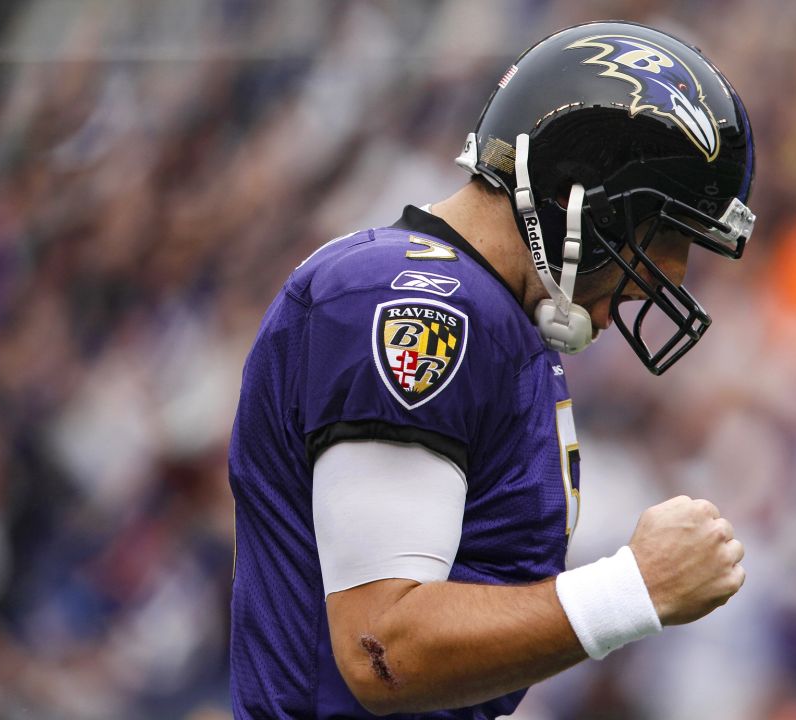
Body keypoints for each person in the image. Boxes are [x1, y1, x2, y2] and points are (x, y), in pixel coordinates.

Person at [227, 20, 757, 719]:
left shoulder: (488, 314)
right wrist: (634, 589)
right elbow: (383, 648)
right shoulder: (417, 302)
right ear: (585, 197)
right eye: (665, 230)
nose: (665, 275)